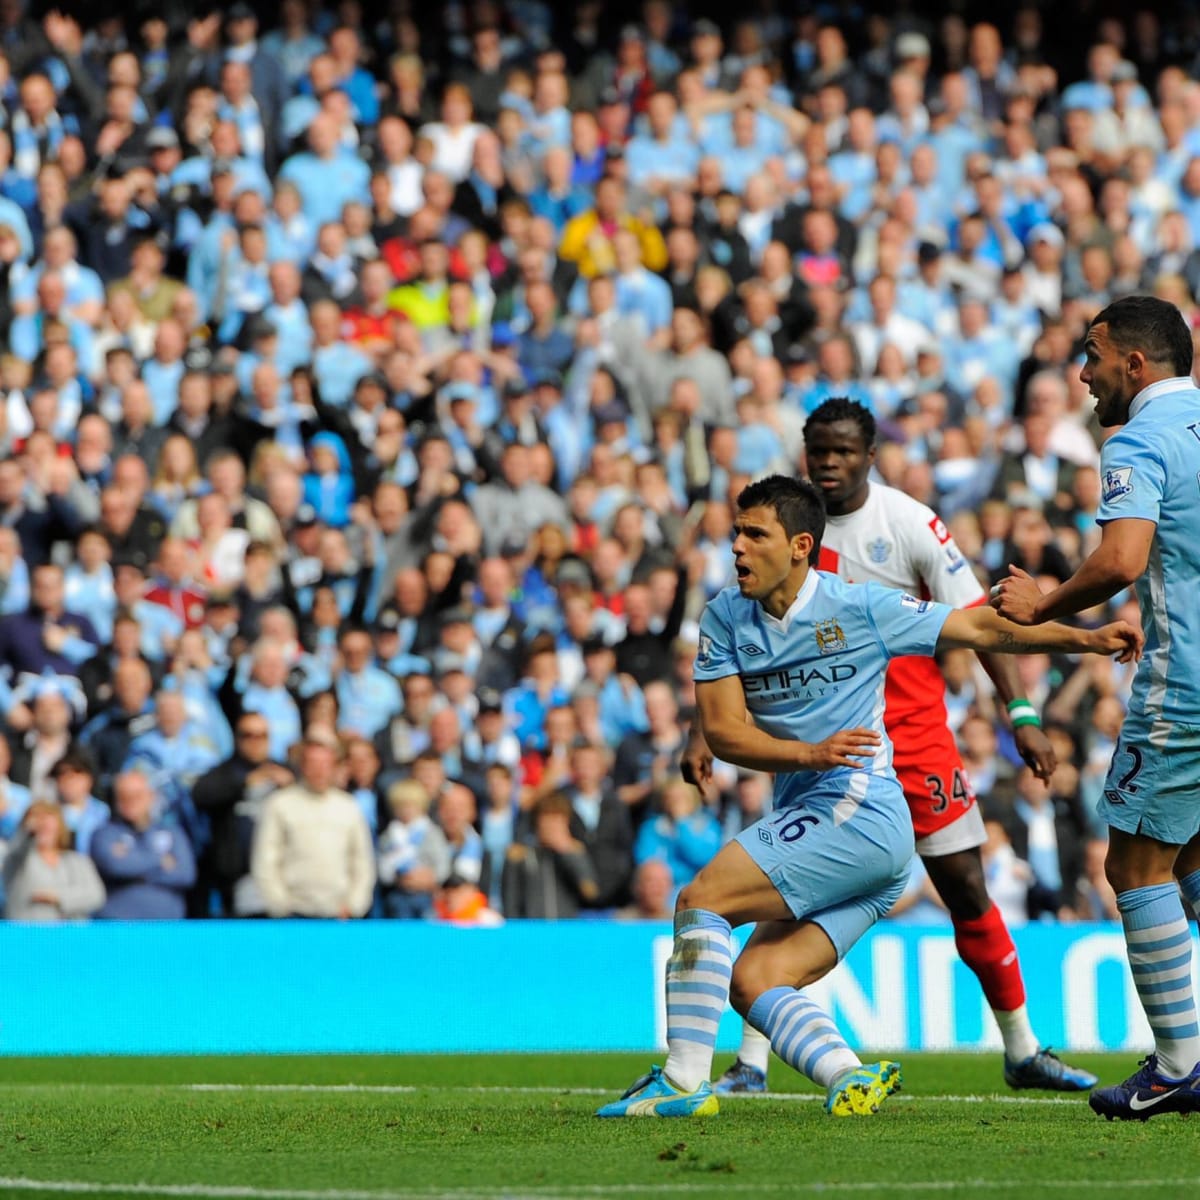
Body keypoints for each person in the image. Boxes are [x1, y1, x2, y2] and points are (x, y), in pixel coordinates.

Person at [597, 475, 1139, 1118]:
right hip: (831, 828)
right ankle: (847, 1076)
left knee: (700, 900)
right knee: (755, 981)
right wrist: (808, 755)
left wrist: (1087, 639)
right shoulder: (723, 617)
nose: (737, 547)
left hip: (861, 812)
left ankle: (683, 1084)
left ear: (800, 546)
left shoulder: (859, 607)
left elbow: (984, 631)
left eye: (754, 534)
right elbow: (722, 732)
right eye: (737, 532)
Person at [690, 398, 1099, 1097]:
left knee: (965, 885)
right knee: (781, 890)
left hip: (914, 738)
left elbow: (978, 621)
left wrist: (1021, 710)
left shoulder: (906, 523)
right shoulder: (778, 533)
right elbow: (746, 655)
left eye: (842, 451)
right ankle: (751, 1063)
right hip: (823, 745)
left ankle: (1022, 1047)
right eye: (817, 449)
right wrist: (707, 731)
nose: (827, 462)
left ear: (869, 455)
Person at [992, 295, 1200, 1120]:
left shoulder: (1140, 440)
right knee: (1189, 864)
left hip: (1182, 686)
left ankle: (1180, 1064)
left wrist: (1043, 608)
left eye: (1094, 355)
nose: (1084, 375)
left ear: (1136, 365)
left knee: (1134, 868)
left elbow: (1121, 558)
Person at [250, 726, 375, 919]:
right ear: (302, 765)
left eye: (325, 764)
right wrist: (280, 906)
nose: (319, 770)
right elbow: (265, 861)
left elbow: (362, 862)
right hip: (293, 916)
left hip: (338, 916)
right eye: (313, 763)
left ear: (334, 766)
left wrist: (354, 906)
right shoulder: (280, 804)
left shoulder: (348, 807)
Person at [90, 769, 197, 920]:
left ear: (151, 796)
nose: (130, 801)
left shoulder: (173, 833)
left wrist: (133, 863)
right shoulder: (104, 834)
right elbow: (114, 866)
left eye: (137, 796)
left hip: (166, 927)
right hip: (117, 927)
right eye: (124, 796)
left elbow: (186, 874)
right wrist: (160, 860)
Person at [2, 800, 105, 922]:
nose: (42, 825)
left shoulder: (77, 860)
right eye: (38, 819)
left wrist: (57, 896)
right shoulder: (18, 859)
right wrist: (29, 831)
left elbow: (96, 895)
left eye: (48, 820)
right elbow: (17, 849)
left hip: (69, 935)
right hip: (28, 935)